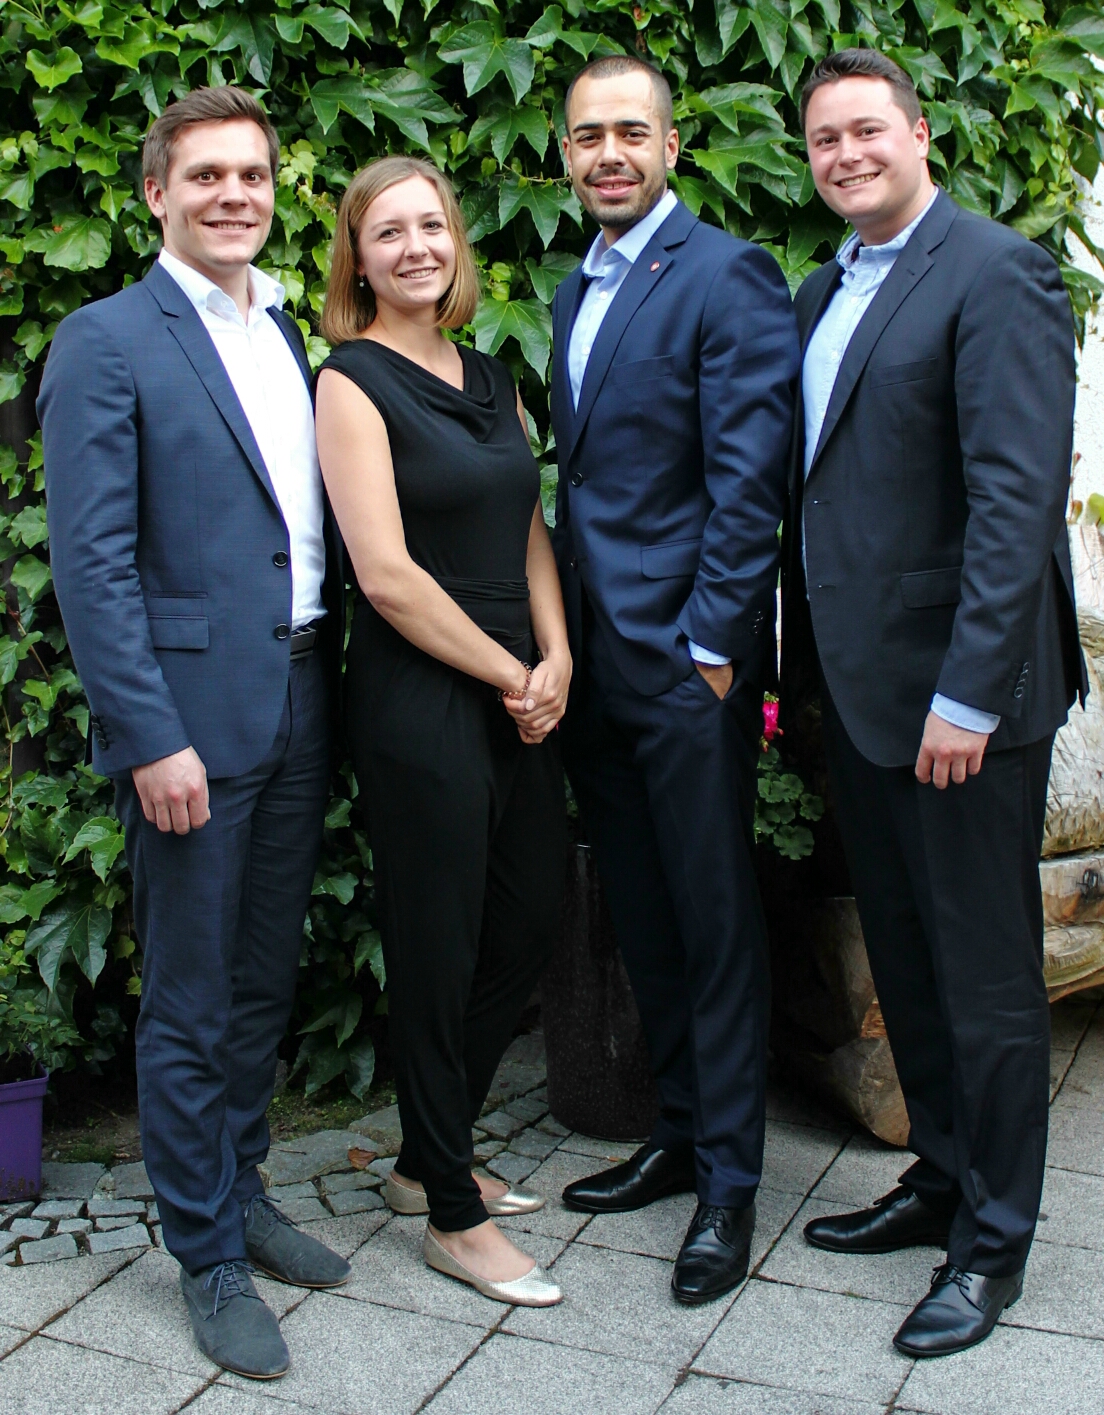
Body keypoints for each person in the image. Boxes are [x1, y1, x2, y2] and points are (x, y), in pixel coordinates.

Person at [38, 87, 351, 1381]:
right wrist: (146, 731)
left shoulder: (283, 330)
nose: (235, 193)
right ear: (156, 192)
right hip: (187, 723)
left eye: (254, 174)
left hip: (301, 692)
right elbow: (91, 563)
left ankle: (244, 1185)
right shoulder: (106, 339)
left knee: (264, 976)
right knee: (191, 990)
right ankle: (206, 1249)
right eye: (207, 174)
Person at [782, 49, 1086, 1357]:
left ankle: (995, 1238)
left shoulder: (997, 271)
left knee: (984, 975)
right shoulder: (822, 289)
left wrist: (969, 694)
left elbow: (1017, 500)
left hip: (962, 701)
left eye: (867, 130)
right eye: (824, 140)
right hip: (862, 691)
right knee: (906, 958)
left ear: (918, 133)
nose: (846, 154)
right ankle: (942, 1175)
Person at [549, 56, 800, 1303]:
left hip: (687, 662)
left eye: (630, 132)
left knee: (711, 916)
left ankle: (732, 1183)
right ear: (565, 153)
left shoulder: (726, 272)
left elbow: (750, 476)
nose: (610, 153)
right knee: (642, 911)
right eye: (588, 135)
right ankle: (682, 1129)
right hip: (599, 664)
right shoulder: (573, 288)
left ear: (671, 146)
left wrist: (712, 646)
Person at [314, 156, 569, 1308]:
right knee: (436, 945)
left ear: (455, 241)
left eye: (431, 225)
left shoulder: (492, 374)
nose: (415, 246)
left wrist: (558, 655)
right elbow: (386, 575)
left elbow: (527, 529)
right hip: (422, 697)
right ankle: (452, 1218)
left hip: (523, 686)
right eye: (389, 232)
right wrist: (516, 671)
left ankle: (427, 1153)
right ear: (359, 259)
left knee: (527, 918)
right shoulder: (349, 382)